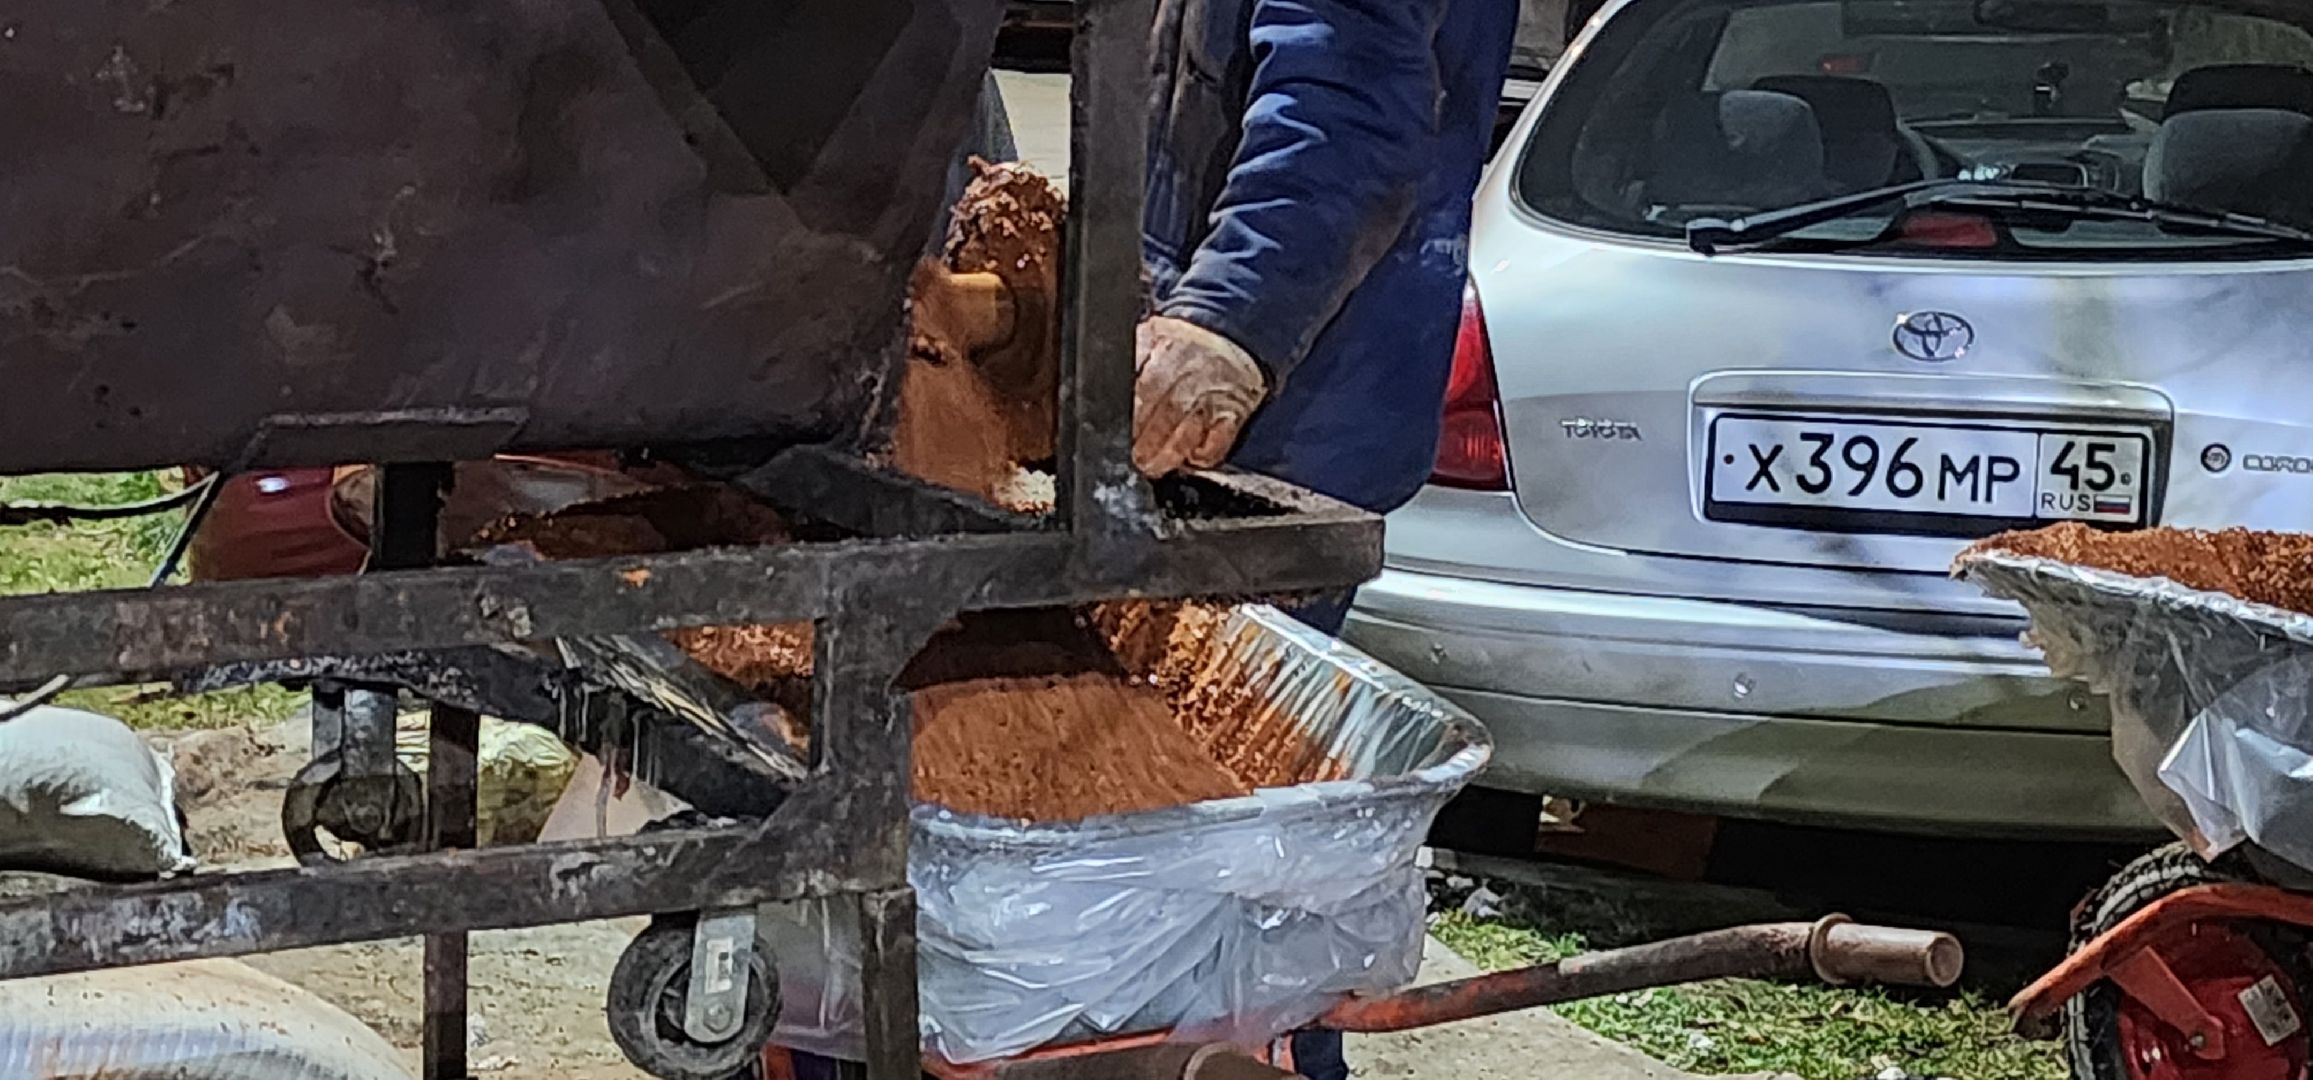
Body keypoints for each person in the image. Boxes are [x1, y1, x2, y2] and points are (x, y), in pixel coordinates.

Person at [1131, 1, 1518, 1076]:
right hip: (1272, 410)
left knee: (1217, 872)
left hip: (1285, 427)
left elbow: (1344, 101)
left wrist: (1229, 324)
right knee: (1197, 865)